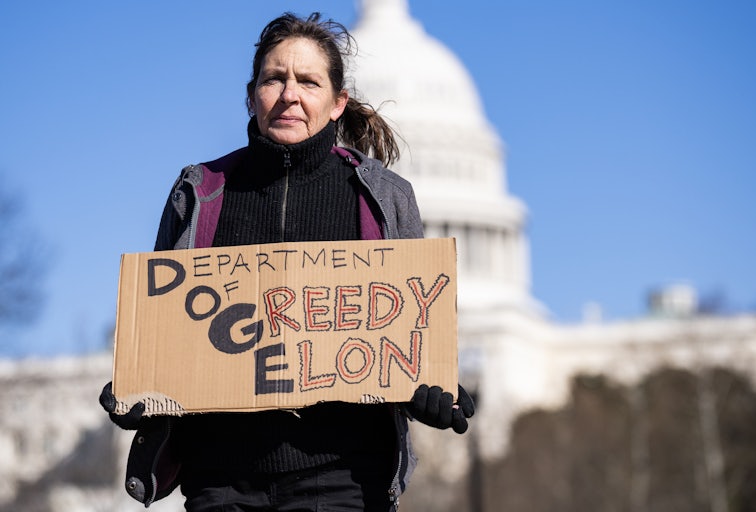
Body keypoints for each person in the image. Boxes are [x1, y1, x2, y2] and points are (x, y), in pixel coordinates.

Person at [99, 12, 474, 512]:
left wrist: (428, 391)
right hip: (220, 480)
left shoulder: (383, 198)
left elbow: (404, 332)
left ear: (338, 102)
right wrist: (139, 388)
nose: (290, 94)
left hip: (342, 479)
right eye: (274, 78)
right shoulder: (200, 192)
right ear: (252, 92)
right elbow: (169, 330)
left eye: (308, 81)